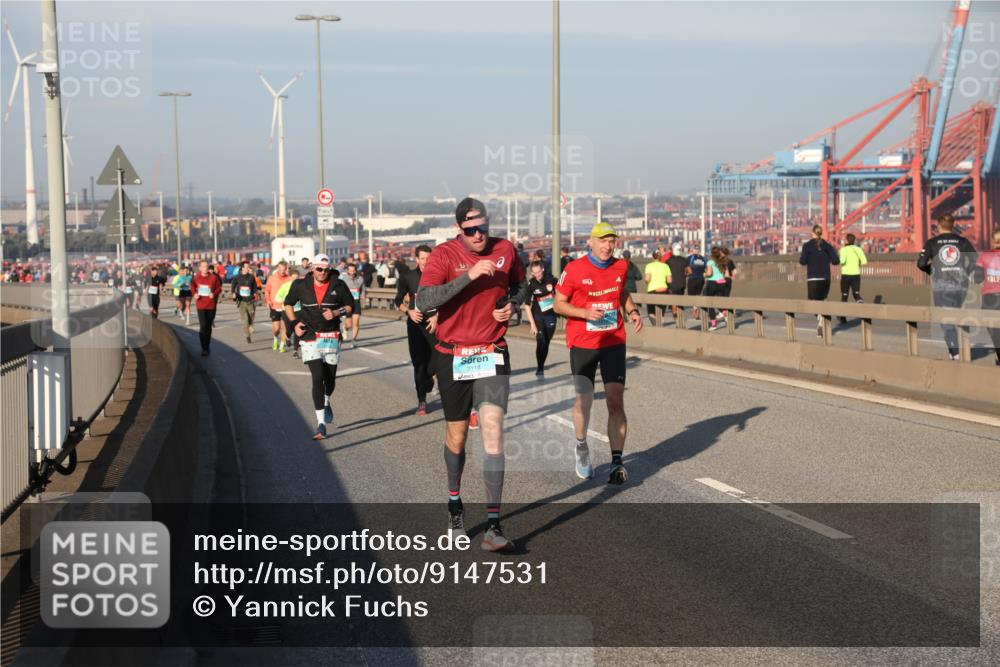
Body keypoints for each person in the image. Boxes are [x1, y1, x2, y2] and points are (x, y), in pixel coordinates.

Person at [415, 197, 525, 552]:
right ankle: (454, 505)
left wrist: (513, 306)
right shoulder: (443, 255)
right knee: (458, 437)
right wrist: (468, 276)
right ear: (458, 229)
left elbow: (521, 285)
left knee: (493, 431)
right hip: (453, 355)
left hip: (491, 351)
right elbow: (424, 300)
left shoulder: (506, 249)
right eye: (471, 230)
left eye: (483, 228)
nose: (479, 235)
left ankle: (493, 526)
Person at [553, 222, 643, 485]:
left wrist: (632, 311)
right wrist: (584, 313)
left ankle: (616, 462)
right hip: (583, 343)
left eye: (611, 241)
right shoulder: (574, 269)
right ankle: (581, 446)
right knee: (584, 401)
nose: (607, 246)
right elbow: (559, 304)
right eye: (602, 241)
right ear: (590, 243)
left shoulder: (620, 266)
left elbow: (621, 292)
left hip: (613, 339)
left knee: (615, 400)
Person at [283, 254, 356, 440]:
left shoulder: (338, 285)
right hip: (309, 336)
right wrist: (294, 324)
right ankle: (321, 424)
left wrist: (336, 312)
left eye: (325, 269)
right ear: (312, 269)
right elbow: (288, 304)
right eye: (319, 269)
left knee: (330, 379)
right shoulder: (300, 285)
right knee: (317, 377)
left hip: (331, 336)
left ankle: (326, 399)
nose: (322, 273)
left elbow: (350, 306)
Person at [916, 214, 978, 360]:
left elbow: (920, 263)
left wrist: (931, 270)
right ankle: (960, 345)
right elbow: (975, 258)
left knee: (946, 318)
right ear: (953, 225)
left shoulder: (932, 243)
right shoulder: (962, 241)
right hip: (961, 284)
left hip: (941, 285)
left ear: (939, 226)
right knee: (955, 314)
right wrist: (966, 272)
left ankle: (955, 352)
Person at [395, 245, 438, 415]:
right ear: (417, 259)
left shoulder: (439, 276)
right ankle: (421, 401)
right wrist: (409, 311)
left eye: (429, 258)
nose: (426, 262)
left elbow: (447, 298)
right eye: (423, 258)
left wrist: (437, 316)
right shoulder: (408, 277)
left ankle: (429, 379)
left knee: (436, 361)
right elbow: (398, 299)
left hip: (434, 325)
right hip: (415, 326)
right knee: (419, 364)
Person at [520, 260, 560, 378]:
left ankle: (541, 365)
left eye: (539, 272)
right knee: (541, 340)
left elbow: (561, 295)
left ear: (542, 269)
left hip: (551, 315)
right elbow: (527, 305)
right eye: (534, 273)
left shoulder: (551, 280)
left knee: (546, 342)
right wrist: (532, 325)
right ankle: (540, 368)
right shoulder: (531, 284)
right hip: (538, 316)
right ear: (532, 273)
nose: (537, 275)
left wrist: (555, 293)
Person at [799, 225, 840, 337]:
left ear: (812, 233)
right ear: (820, 233)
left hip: (813, 278)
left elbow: (802, 261)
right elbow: (836, 261)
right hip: (826, 279)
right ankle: (821, 328)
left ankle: (821, 317)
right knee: (821, 301)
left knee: (812, 303)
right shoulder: (827, 245)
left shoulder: (807, 246)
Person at [976, 229, 1000, 365]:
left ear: (993, 240)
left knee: (995, 332)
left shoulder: (984, 256)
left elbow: (978, 278)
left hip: (990, 298)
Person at [191, 260, 223, 356]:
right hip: (201, 304)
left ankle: (207, 346)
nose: (205, 268)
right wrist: (195, 294)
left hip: (211, 305)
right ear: (200, 268)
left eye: (207, 267)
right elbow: (192, 286)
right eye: (203, 267)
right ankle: (204, 348)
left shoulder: (213, 278)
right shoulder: (196, 278)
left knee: (208, 327)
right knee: (203, 326)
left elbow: (219, 288)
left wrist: (214, 294)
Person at [838, 233, 868, 323]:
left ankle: (842, 317)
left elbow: (842, 261)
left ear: (846, 241)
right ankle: (862, 311)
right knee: (856, 294)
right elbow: (864, 262)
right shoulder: (858, 249)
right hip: (856, 275)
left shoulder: (844, 250)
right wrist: (856, 263)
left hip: (846, 275)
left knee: (844, 296)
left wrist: (840, 253)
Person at [231, 260, 259, 344]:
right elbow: (233, 286)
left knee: (251, 318)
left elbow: (254, 287)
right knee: (245, 320)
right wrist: (233, 294)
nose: (248, 269)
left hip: (250, 300)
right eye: (246, 267)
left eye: (248, 267)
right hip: (241, 301)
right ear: (242, 268)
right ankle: (247, 335)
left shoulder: (251, 277)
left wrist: (255, 293)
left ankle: (250, 326)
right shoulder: (237, 277)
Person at [341, 263, 366, 348]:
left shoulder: (360, 279)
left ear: (355, 270)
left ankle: (354, 340)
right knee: (349, 325)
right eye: (350, 270)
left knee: (356, 322)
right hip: (347, 304)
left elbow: (363, 288)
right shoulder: (343, 279)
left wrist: (363, 295)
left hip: (356, 302)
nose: (352, 272)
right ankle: (345, 328)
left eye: (353, 270)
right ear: (347, 270)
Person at [643, 249, 670, 325]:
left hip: (653, 290)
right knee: (661, 311)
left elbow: (647, 279)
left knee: (651, 312)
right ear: (660, 256)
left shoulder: (649, 266)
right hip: (663, 290)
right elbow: (669, 280)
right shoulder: (666, 266)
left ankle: (655, 325)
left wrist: (646, 281)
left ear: (653, 257)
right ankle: (661, 321)